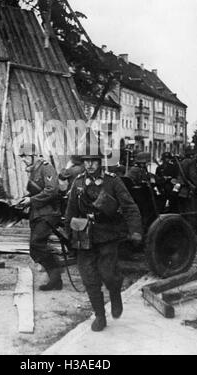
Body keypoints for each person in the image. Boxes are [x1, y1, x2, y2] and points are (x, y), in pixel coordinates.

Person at [65, 148, 142, 332]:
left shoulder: (112, 181)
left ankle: (115, 293)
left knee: (108, 274)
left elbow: (130, 206)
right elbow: (70, 211)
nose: (90, 164)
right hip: (84, 236)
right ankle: (100, 315)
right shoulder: (78, 182)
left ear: (100, 162)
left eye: (94, 160)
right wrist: (69, 235)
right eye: (86, 160)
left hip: (108, 234)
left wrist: (136, 230)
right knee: (89, 277)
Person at [18, 142, 63, 291]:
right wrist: (26, 199)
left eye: (25, 156)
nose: (23, 160)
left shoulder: (45, 167)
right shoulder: (33, 170)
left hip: (49, 213)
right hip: (37, 214)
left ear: (34, 155)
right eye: (22, 157)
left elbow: (52, 190)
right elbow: (36, 192)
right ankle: (55, 277)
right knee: (35, 249)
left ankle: (56, 274)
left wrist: (31, 200)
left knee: (37, 244)